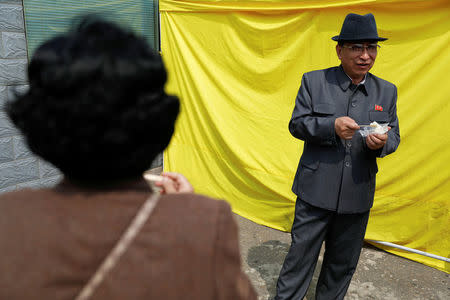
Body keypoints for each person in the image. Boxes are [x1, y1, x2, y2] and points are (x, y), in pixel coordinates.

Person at [0, 17, 256, 300]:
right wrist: (183, 211)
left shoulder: (9, 218)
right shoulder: (206, 223)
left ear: (40, 129)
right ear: (159, 124)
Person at [275, 13, 400, 299]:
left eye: (371, 47)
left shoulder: (387, 91)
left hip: (357, 195)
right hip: (314, 192)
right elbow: (297, 124)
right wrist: (329, 126)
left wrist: (380, 144)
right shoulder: (314, 81)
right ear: (339, 50)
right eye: (356, 47)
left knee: (341, 267)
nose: (365, 55)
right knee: (299, 262)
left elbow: (394, 136)